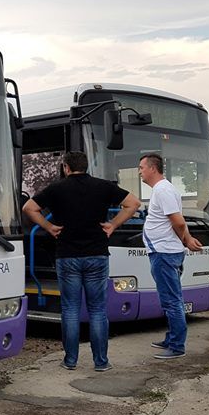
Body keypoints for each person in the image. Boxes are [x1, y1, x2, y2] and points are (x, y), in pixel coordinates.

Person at [23, 151, 141, 371]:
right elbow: (134, 203)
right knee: (97, 310)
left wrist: (49, 227)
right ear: (86, 167)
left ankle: (70, 361)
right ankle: (101, 362)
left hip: (67, 255)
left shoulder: (56, 188)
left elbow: (28, 208)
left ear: (66, 167)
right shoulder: (103, 186)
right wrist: (113, 225)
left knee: (70, 310)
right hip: (97, 253)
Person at [138, 153, 203, 359]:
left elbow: (179, 222)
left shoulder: (163, 190)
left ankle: (176, 346)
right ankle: (171, 337)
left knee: (171, 300)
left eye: (141, 167)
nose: (139, 171)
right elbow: (177, 221)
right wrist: (188, 240)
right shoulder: (163, 189)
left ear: (152, 169)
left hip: (164, 252)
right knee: (169, 298)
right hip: (164, 250)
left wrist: (185, 239)